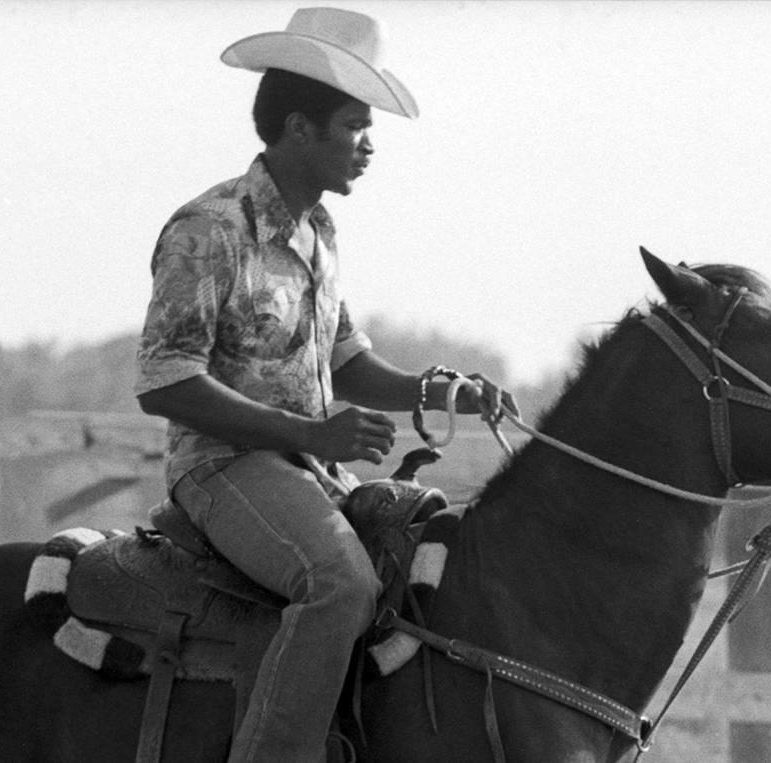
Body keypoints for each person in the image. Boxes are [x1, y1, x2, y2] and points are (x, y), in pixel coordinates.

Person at [134, 7, 515, 763]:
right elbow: (164, 380)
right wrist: (312, 435)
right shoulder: (210, 229)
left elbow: (348, 365)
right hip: (220, 467)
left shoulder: (320, 235)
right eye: (353, 124)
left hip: (301, 468)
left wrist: (442, 394)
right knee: (339, 582)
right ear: (299, 126)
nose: (368, 145)